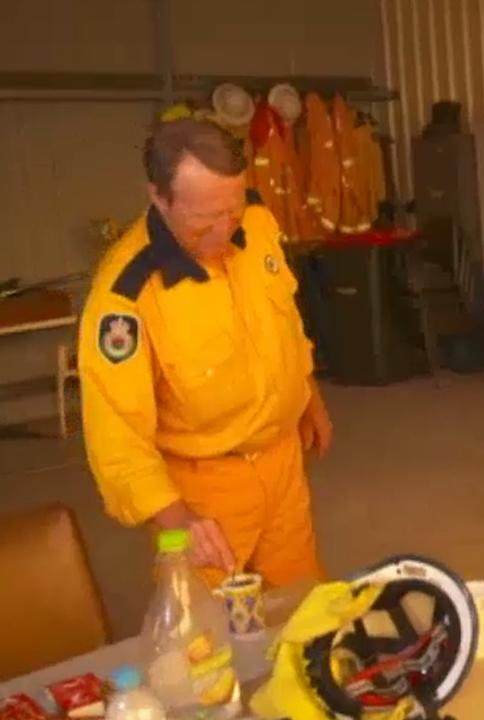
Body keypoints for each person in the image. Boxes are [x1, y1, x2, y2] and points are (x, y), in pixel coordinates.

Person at [79, 118, 332, 588]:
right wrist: (178, 519)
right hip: (205, 490)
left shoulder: (257, 224)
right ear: (159, 197)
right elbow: (115, 434)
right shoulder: (126, 296)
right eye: (203, 222)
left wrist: (307, 394)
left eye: (231, 212)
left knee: (305, 613)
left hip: (282, 465)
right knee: (211, 643)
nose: (223, 234)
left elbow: (284, 324)